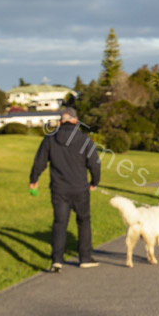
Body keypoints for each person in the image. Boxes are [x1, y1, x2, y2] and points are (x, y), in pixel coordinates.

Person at [29, 109, 101, 271]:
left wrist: (33, 179)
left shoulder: (50, 139)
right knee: (83, 221)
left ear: (60, 122)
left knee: (60, 223)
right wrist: (94, 182)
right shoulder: (84, 140)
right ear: (75, 121)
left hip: (59, 189)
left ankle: (57, 261)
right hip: (80, 189)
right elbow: (95, 164)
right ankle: (85, 258)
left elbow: (39, 162)